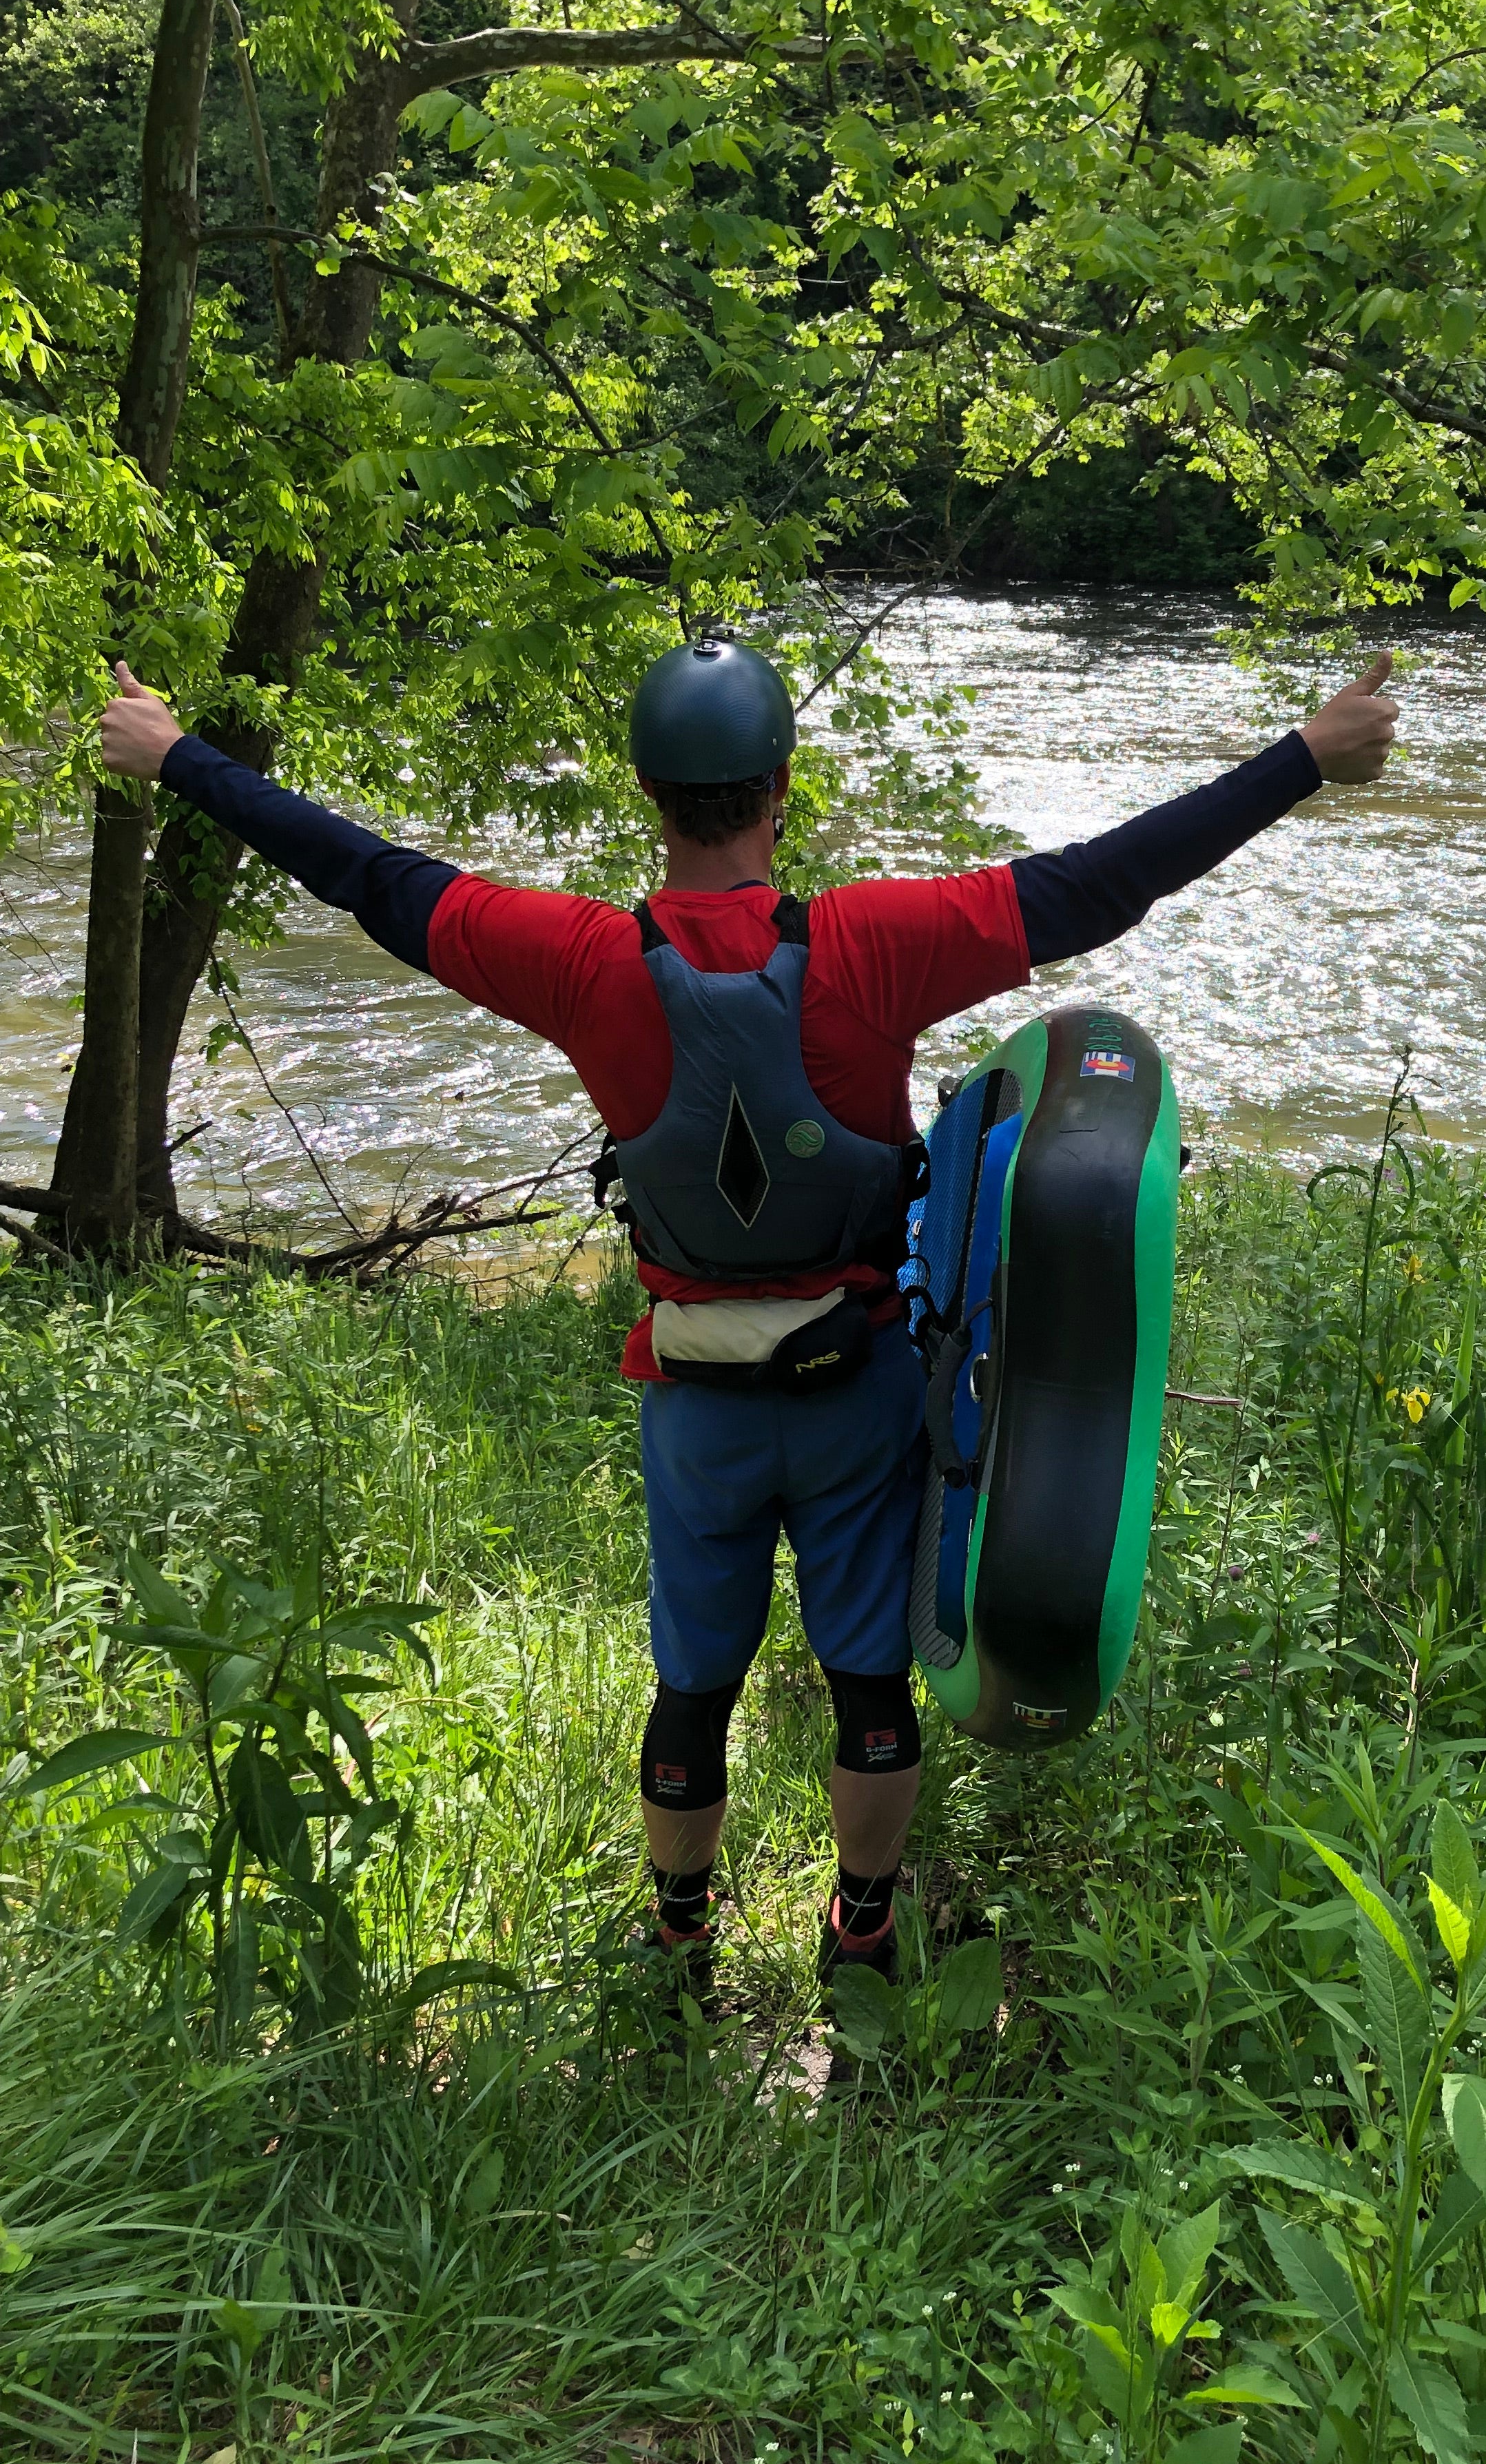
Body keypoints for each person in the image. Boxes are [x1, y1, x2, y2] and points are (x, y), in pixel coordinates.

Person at [96, 639, 1399, 2014]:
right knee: (868, 1680)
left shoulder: (576, 962)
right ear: (782, 788)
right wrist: (1303, 759)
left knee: (695, 1686)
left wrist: (180, 757)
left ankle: (678, 1944)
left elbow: (367, 874)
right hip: (859, 1395)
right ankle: (862, 1934)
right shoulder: (877, 945)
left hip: (697, 1407)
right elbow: (1100, 883)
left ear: (648, 794)